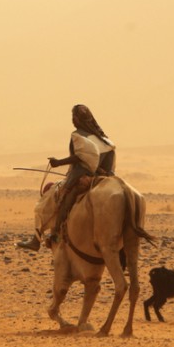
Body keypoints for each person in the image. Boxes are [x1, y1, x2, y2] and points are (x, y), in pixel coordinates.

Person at [16, 104, 116, 251]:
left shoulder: (77, 135)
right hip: (106, 179)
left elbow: (80, 157)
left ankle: (52, 234)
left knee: (62, 196)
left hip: (85, 177)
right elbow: (103, 161)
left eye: (74, 117)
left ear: (78, 119)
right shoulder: (104, 139)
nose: (73, 120)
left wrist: (58, 162)